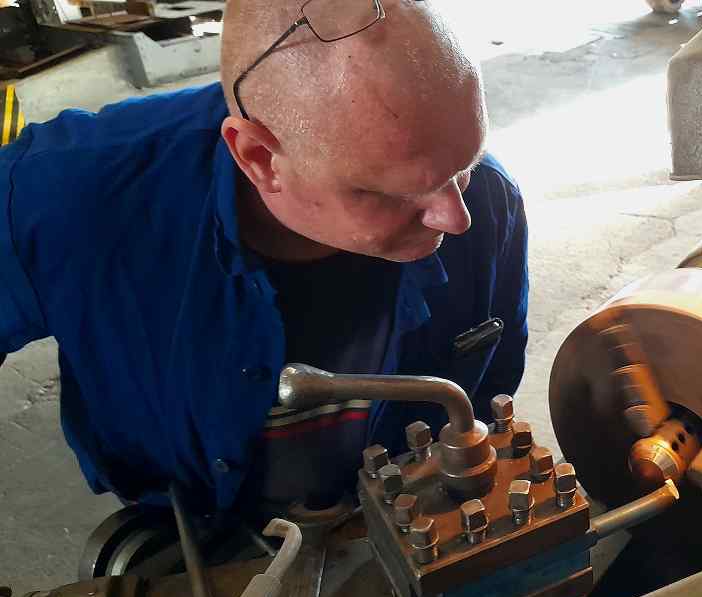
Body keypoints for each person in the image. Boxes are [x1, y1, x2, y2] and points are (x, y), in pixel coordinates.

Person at [0, 0, 529, 518]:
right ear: (259, 159)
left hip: (402, 507)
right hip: (190, 523)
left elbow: (492, 387)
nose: (457, 219)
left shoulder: (489, 199)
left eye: (465, 165)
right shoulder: (73, 199)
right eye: (396, 192)